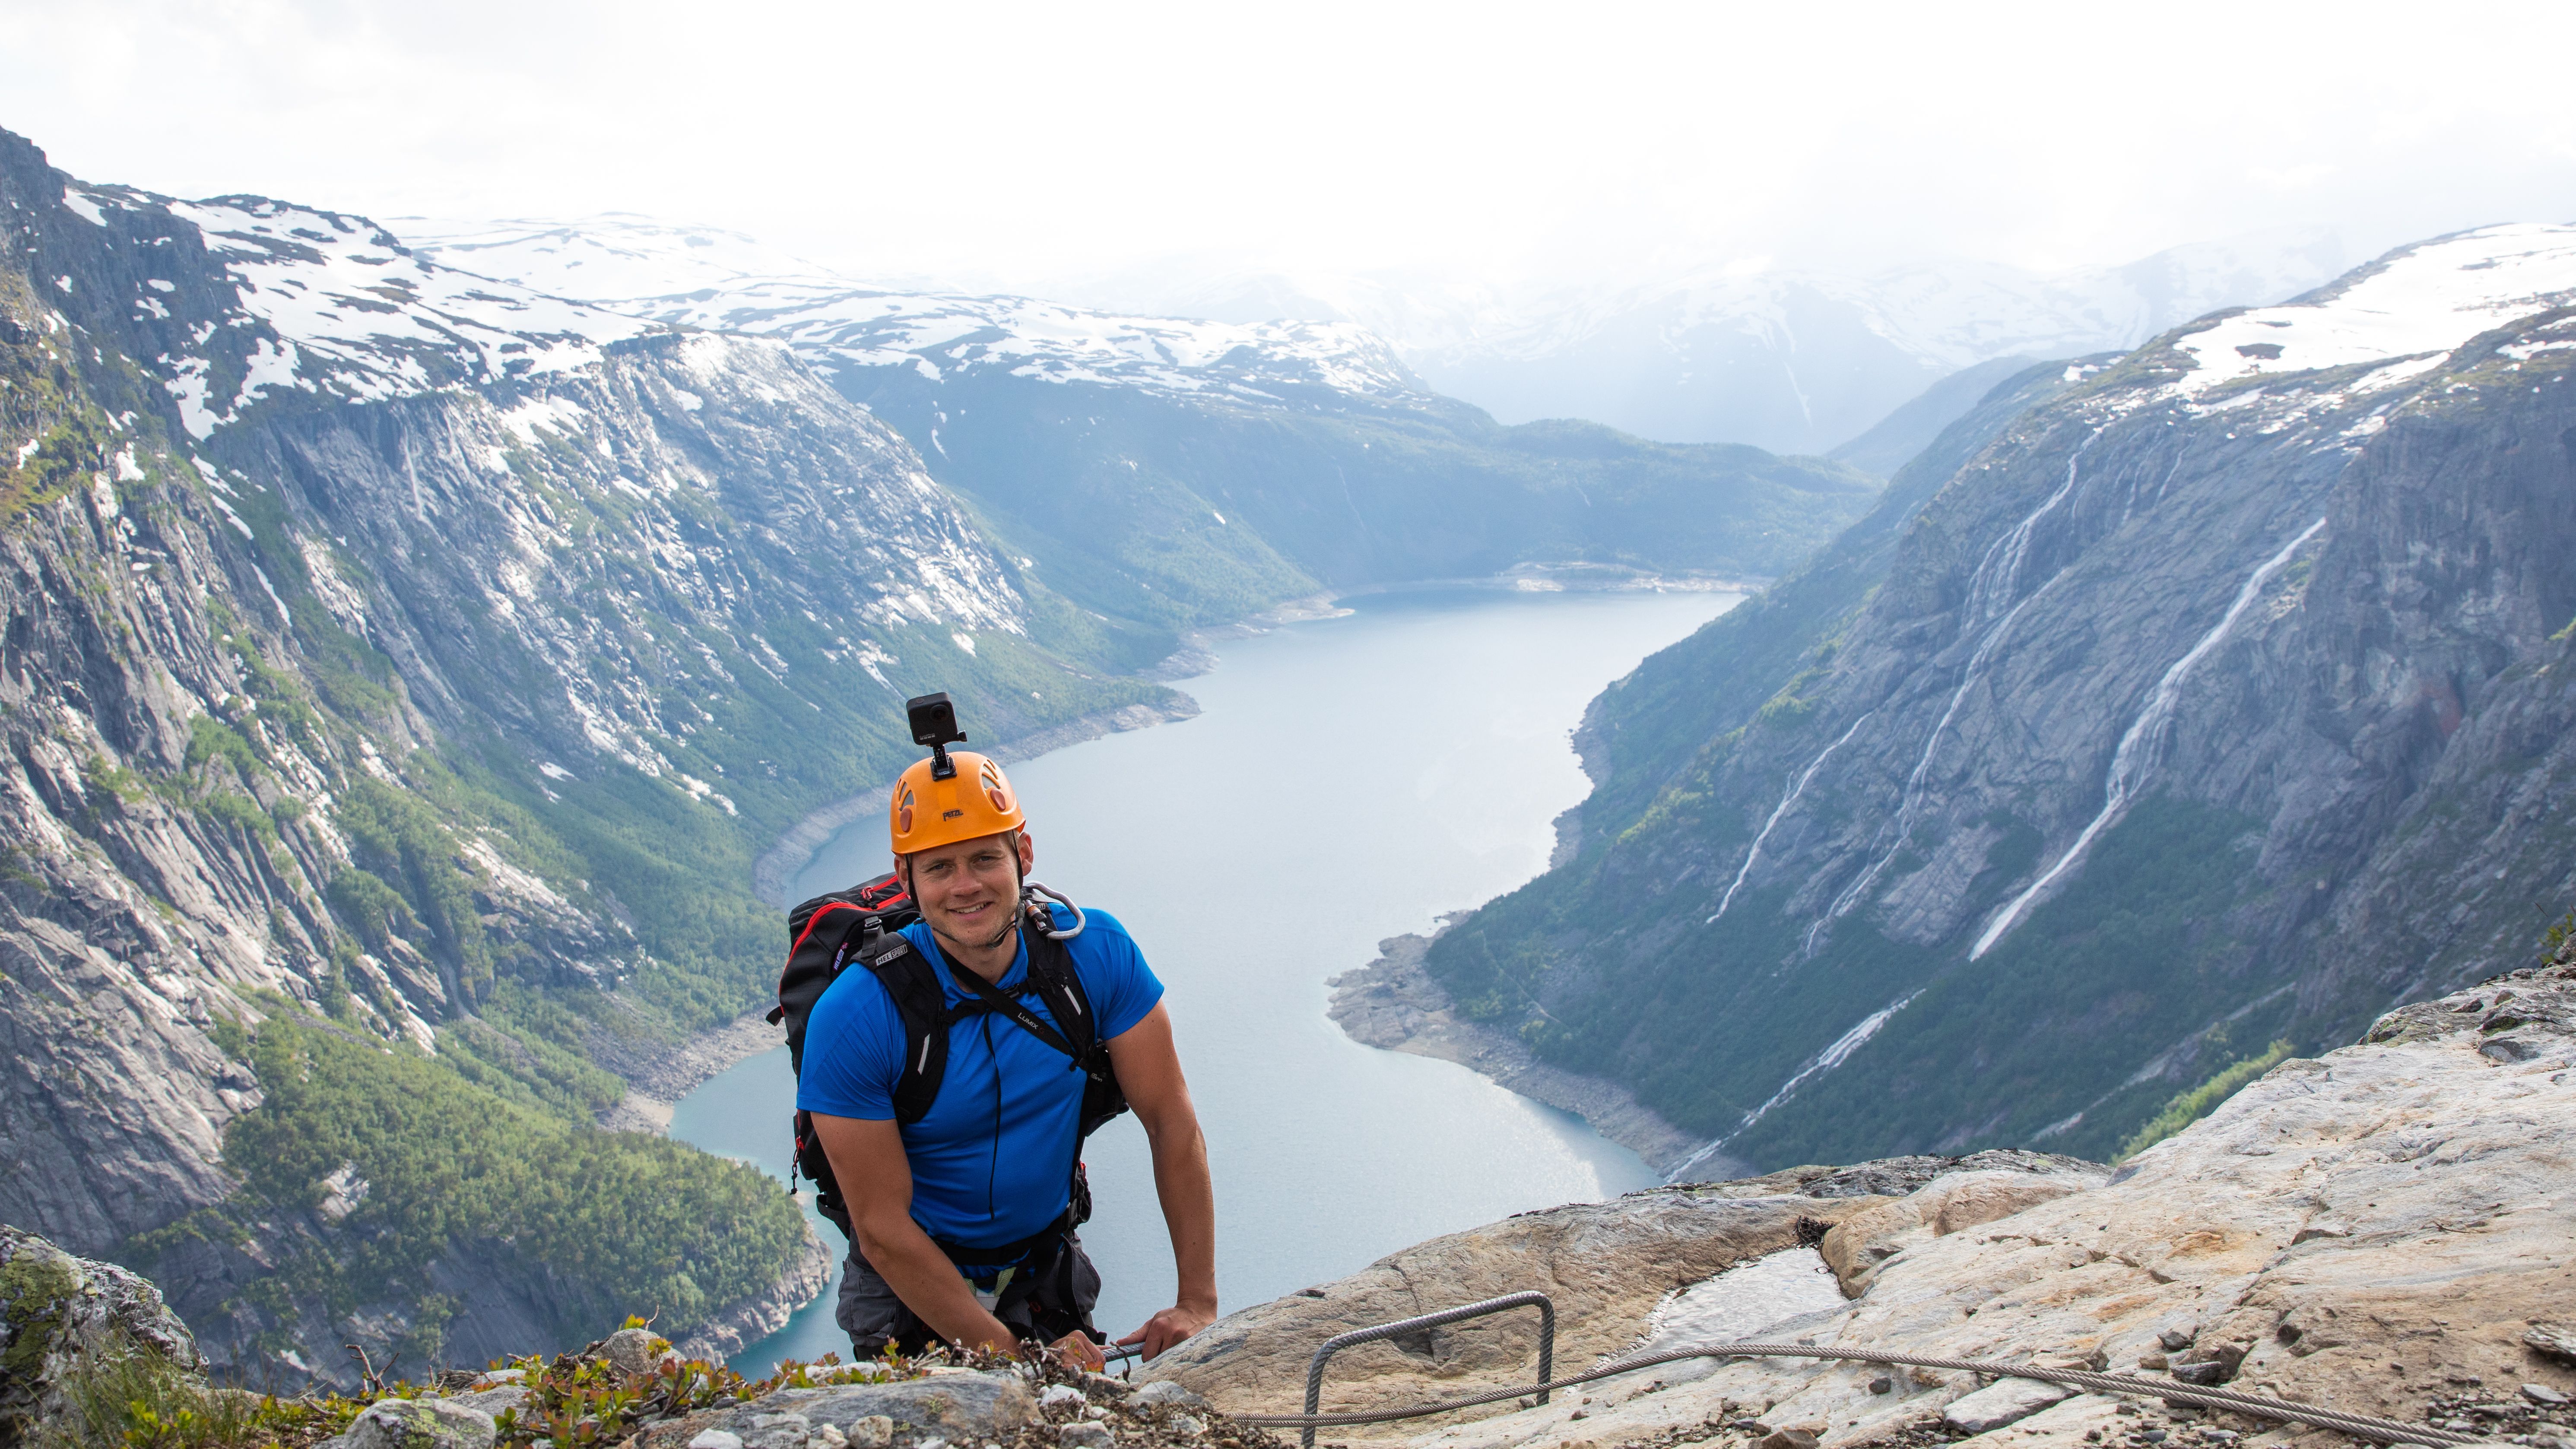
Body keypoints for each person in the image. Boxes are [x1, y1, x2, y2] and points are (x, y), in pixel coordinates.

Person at [796, 738, 1217, 1367]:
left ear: (1022, 852)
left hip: (1042, 1269)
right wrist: (1018, 1359)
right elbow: (883, 1230)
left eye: (985, 859)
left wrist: (1197, 1303)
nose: (966, 888)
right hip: (911, 1289)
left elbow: (1172, 1121)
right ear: (904, 875)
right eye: (939, 867)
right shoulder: (858, 1014)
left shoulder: (1094, 954)